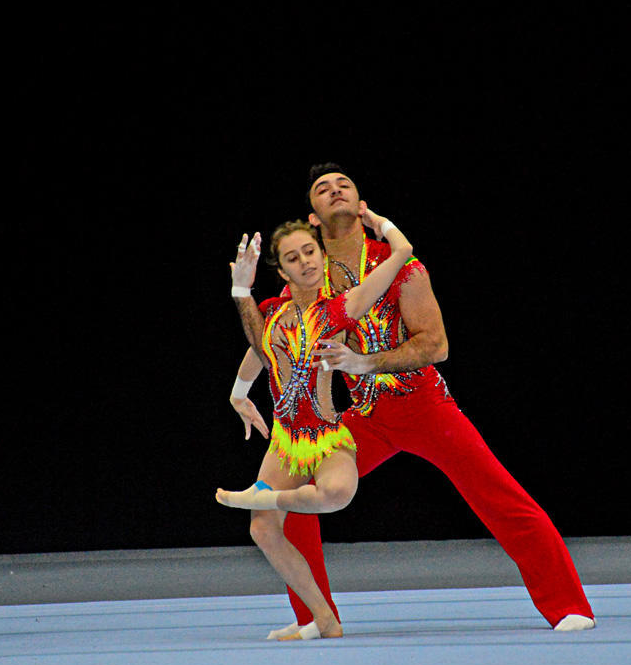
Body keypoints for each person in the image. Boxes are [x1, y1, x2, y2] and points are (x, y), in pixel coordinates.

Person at [230, 163, 596, 635]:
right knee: (297, 495)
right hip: (365, 415)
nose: (335, 190)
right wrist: (239, 390)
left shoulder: (401, 267)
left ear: (362, 205)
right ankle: (316, 618)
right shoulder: (309, 275)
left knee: (500, 497)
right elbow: (272, 338)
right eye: (323, 188)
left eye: (344, 184)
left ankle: (568, 605)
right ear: (313, 217)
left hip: (424, 406)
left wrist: (365, 363)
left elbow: (436, 346)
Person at [216, 208, 415, 640]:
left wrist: (379, 223)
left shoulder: (342, 306)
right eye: (293, 257)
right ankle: (323, 619)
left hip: (326, 435)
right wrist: (238, 393)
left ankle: (264, 496)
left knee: (338, 494)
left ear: (322, 255)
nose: (304, 261)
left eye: (310, 251)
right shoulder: (272, 312)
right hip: (286, 440)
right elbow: (258, 349)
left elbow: (403, 252)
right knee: (262, 529)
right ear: (281, 270)